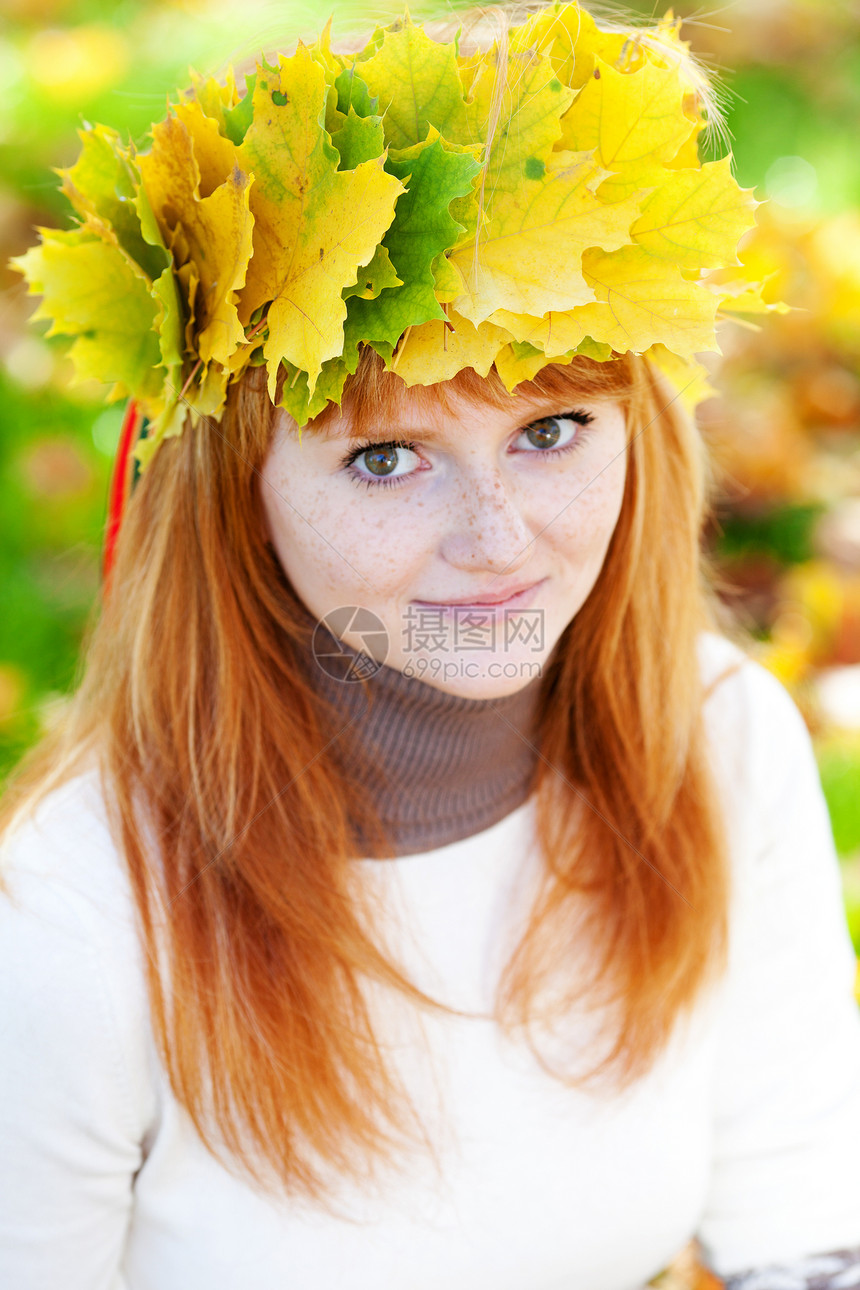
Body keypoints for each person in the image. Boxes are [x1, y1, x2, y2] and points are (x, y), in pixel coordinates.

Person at [3, 3, 860, 1288]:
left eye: (551, 431)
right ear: (235, 492)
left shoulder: (709, 738)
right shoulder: (85, 907)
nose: (495, 541)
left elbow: (806, 1229)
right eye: (386, 456)